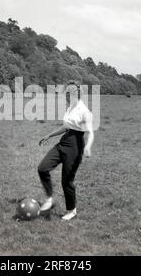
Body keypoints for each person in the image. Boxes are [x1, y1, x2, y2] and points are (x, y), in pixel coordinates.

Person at [38, 80, 94, 220]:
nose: (68, 95)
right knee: (43, 168)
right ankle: (50, 198)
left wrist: (88, 146)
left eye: (71, 92)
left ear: (77, 93)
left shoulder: (84, 111)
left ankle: (72, 210)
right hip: (63, 142)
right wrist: (49, 135)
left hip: (75, 147)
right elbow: (67, 127)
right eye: (67, 92)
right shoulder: (70, 107)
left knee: (67, 181)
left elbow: (90, 132)